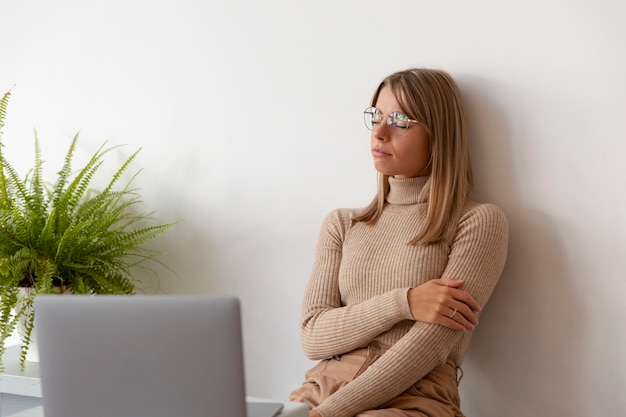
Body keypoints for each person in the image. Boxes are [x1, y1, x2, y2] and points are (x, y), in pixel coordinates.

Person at [288, 68, 509, 417]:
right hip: (320, 389)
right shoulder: (342, 224)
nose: (379, 133)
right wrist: (404, 303)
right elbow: (313, 337)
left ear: (438, 134)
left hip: (413, 395)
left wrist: (327, 415)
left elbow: (429, 346)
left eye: (400, 120)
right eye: (375, 116)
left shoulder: (476, 221)